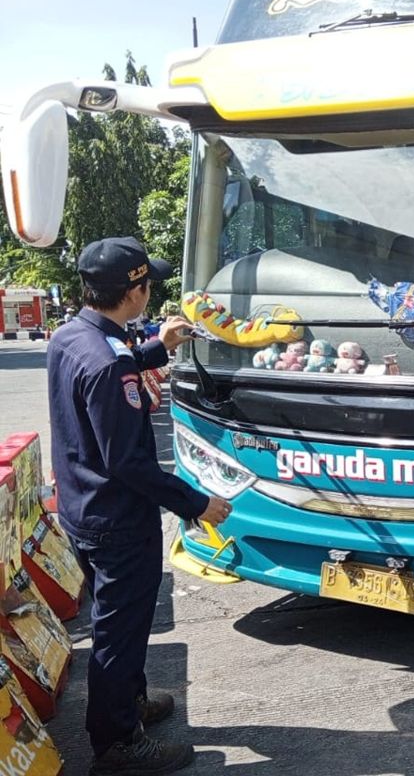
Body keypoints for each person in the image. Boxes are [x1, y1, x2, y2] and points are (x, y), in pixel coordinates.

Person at [47, 237, 232, 775]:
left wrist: (160, 345)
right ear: (135, 291)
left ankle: (127, 702)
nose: (150, 289)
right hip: (117, 520)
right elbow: (129, 461)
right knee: (119, 629)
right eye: (147, 281)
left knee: (119, 624)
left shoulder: (70, 336)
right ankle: (117, 742)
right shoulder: (110, 366)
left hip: (81, 507)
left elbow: (110, 363)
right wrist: (195, 504)